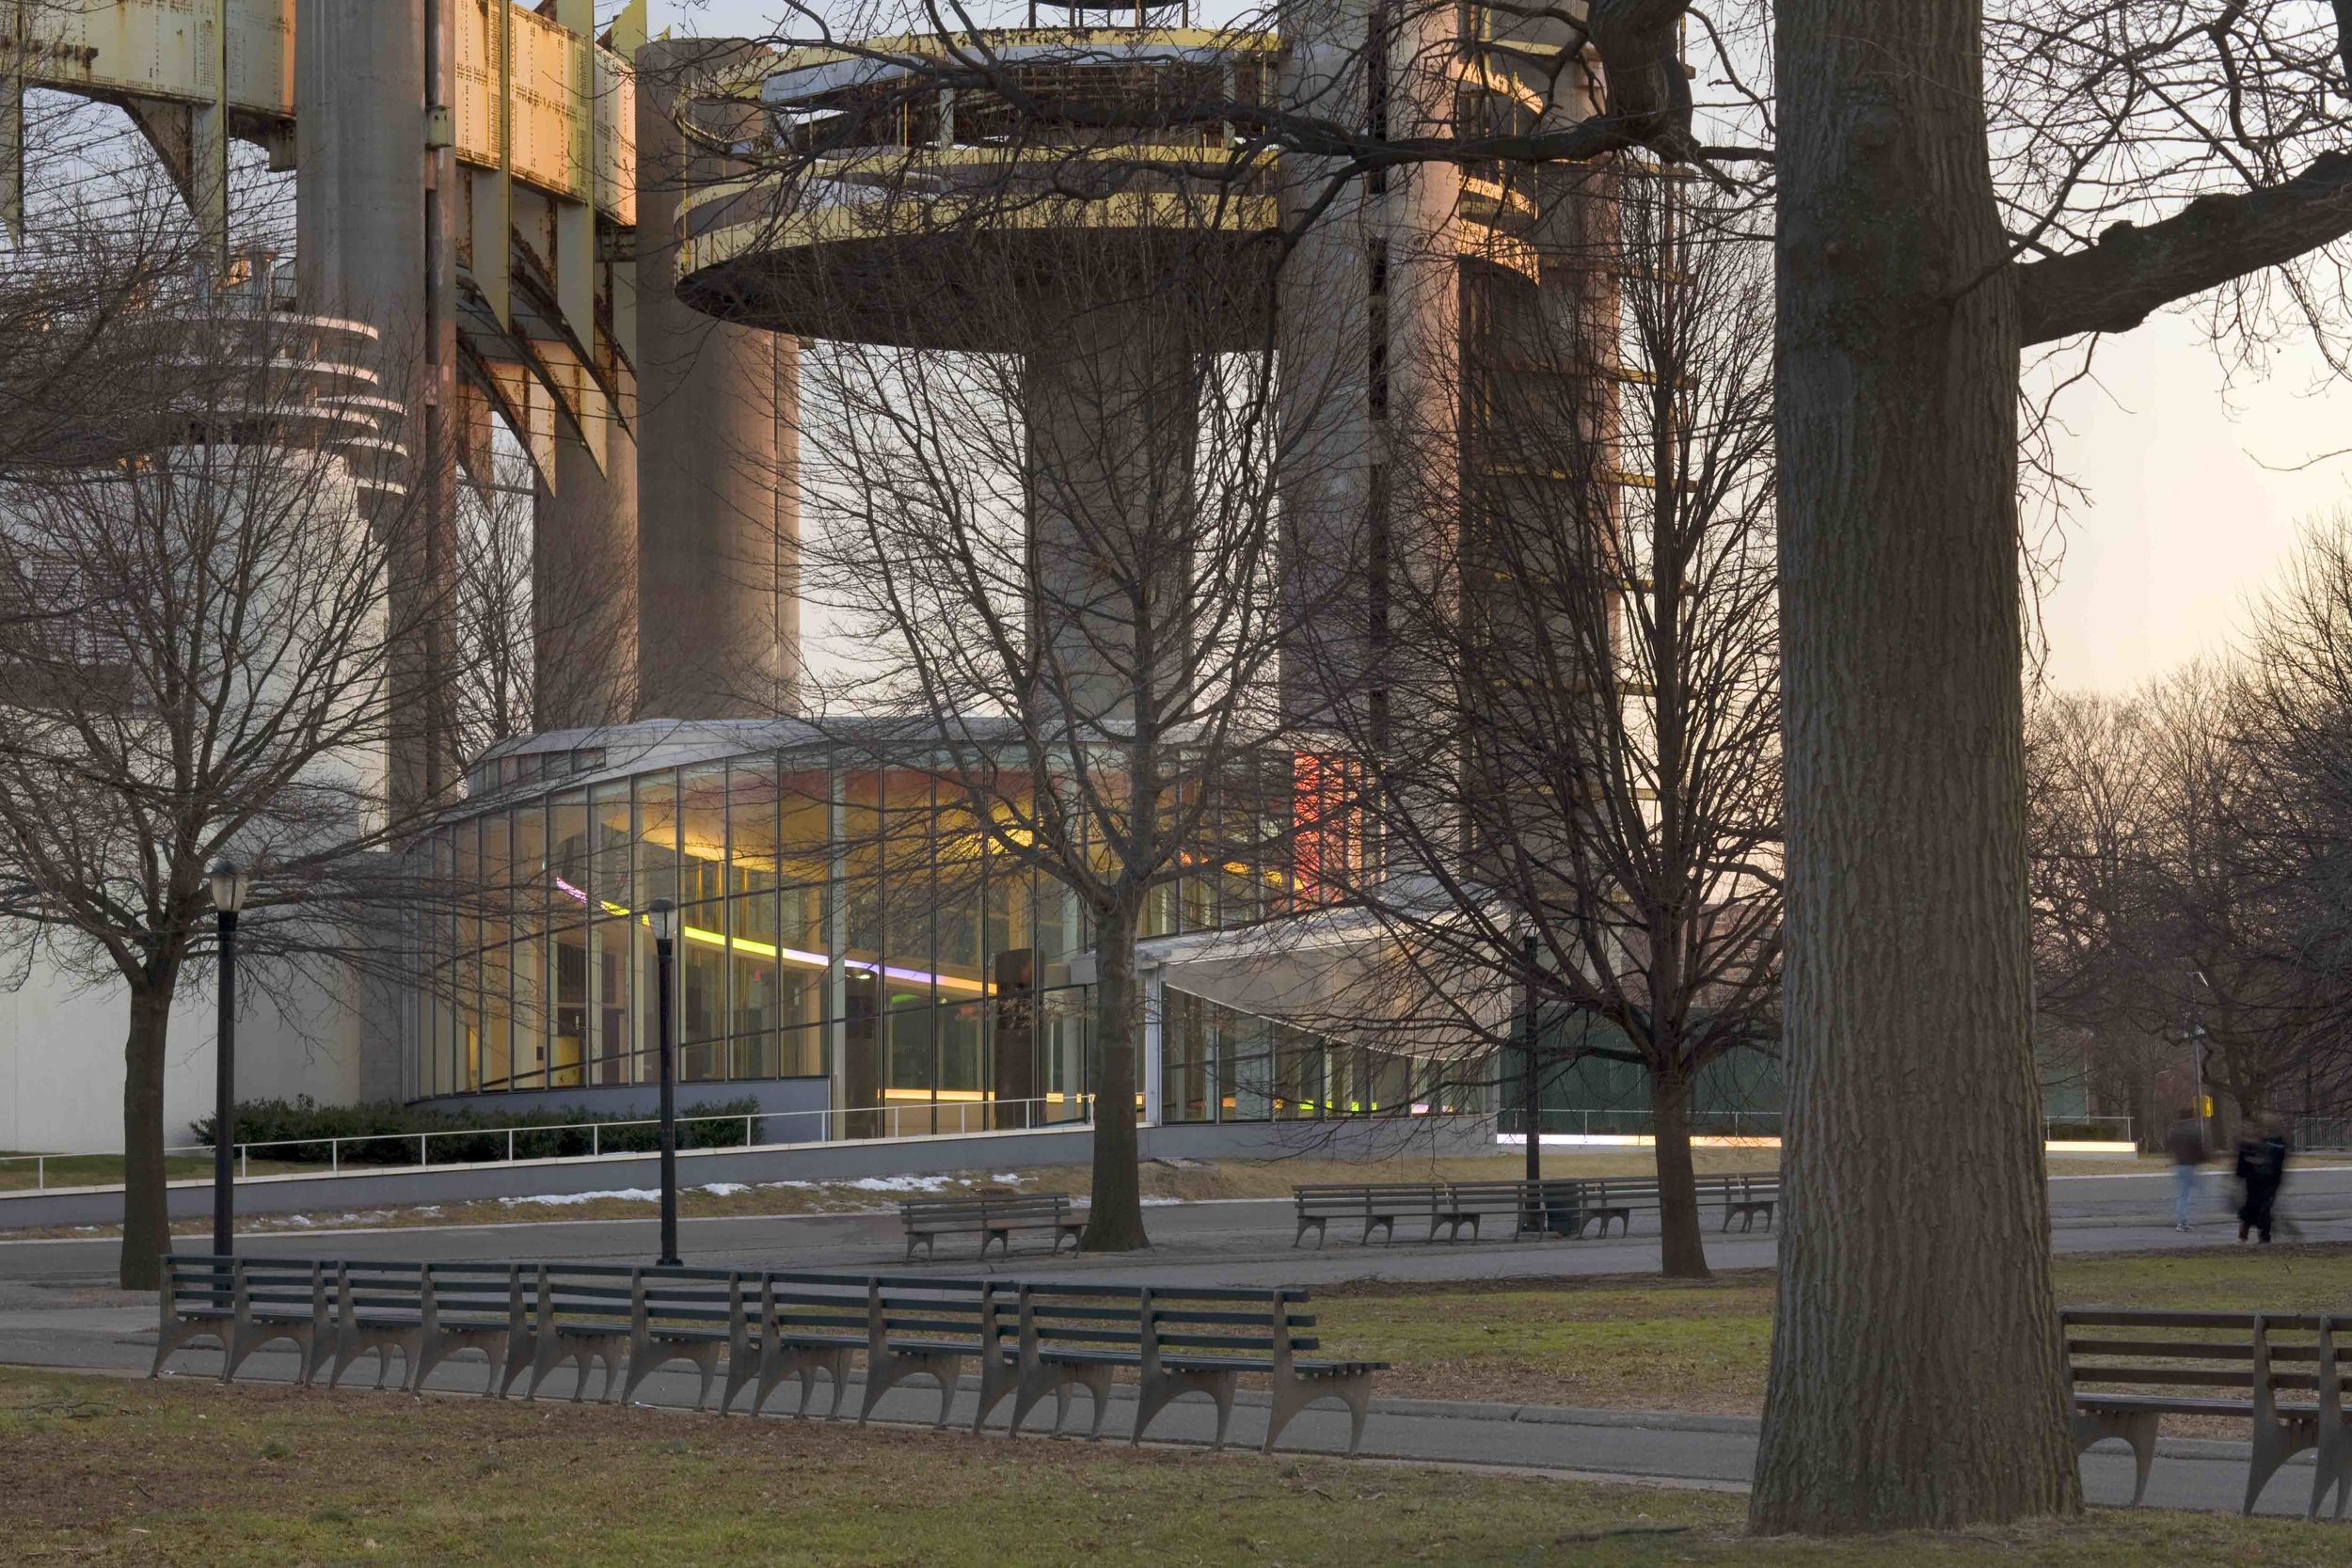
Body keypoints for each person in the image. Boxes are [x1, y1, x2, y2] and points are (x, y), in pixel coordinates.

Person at [2234, 1118, 2291, 1243]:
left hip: (2265, 1180)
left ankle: (2258, 1234)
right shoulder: (2264, 1142)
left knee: (2260, 1207)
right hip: (2260, 1180)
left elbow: (2275, 1161)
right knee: (2257, 1206)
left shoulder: (2269, 1143)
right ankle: (2258, 1234)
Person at [2165, 1108, 2209, 1231]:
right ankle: (2183, 1221)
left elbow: (2169, 1145)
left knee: (2182, 1194)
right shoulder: (2193, 1131)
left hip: (2179, 1165)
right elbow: (2199, 1147)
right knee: (2198, 1190)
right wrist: (2205, 1158)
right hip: (2190, 1164)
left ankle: (2182, 1222)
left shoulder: (2174, 1131)